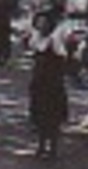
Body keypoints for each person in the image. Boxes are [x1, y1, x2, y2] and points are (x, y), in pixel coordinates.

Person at [29, 9, 70, 159]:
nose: (40, 25)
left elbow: (61, 56)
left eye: (43, 23)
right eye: (39, 22)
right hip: (39, 82)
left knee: (52, 116)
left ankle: (52, 147)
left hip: (52, 84)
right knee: (40, 116)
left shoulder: (55, 40)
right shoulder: (37, 39)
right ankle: (41, 145)